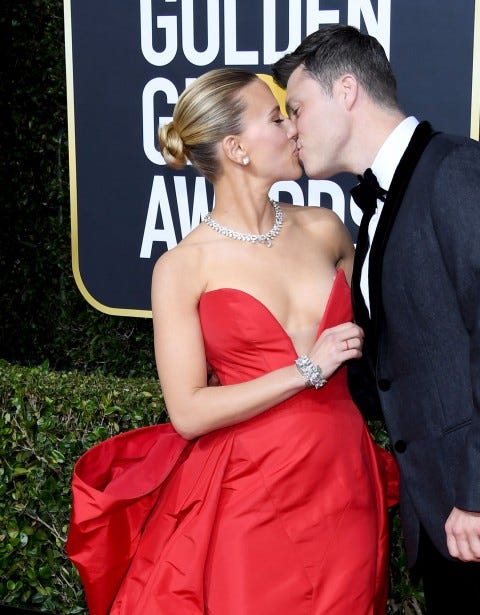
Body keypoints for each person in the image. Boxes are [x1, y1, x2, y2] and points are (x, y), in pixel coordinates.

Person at [273, 24, 480, 615]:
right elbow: (404, 371)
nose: (291, 128)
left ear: (346, 89)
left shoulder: (460, 171)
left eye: (296, 108)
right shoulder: (374, 210)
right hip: (449, 523)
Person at [65, 67, 399, 615]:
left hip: (345, 484)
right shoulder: (183, 267)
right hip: (251, 492)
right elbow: (189, 413)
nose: (294, 128)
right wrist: (305, 369)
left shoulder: (327, 228)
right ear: (236, 148)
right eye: (276, 118)